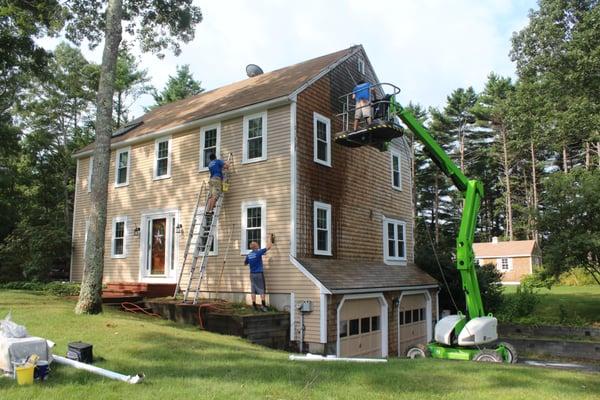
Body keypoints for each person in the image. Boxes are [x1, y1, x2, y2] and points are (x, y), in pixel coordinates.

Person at [244, 234, 274, 312]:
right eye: (257, 245)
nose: (258, 246)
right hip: (258, 274)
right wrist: (270, 238)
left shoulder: (249, 255)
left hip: (252, 274)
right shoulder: (258, 252)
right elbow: (269, 247)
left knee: (253, 290)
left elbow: (245, 263)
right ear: (255, 247)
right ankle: (263, 306)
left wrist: (252, 262)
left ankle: (254, 305)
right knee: (261, 289)